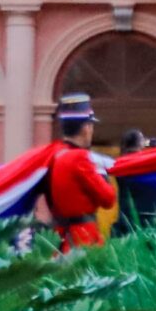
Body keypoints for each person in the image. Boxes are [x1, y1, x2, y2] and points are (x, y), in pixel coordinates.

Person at [44, 93, 117, 252]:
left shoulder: (54, 155)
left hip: (60, 238)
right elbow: (108, 199)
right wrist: (103, 175)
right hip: (83, 239)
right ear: (86, 128)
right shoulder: (80, 158)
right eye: (91, 126)